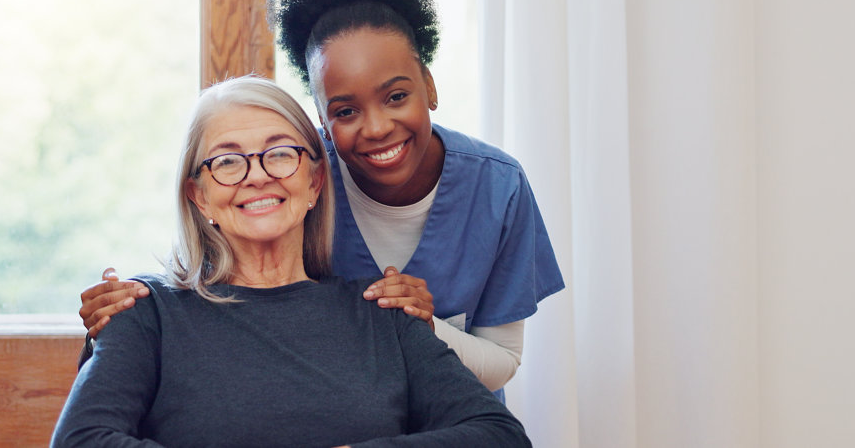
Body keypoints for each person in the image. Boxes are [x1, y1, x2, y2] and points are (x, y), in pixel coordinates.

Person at [78, 0, 564, 391]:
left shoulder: (499, 188)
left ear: (430, 86)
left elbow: (503, 360)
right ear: (321, 122)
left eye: (397, 96)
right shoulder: (295, 181)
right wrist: (138, 303)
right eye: (345, 111)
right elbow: (222, 286)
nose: (376, 127)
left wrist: (423, 322)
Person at [51, 77, 528, 447]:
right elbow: (80, 441)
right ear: (199, 196)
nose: (257, 176)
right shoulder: (144, 313)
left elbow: (498, 436)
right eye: (227, 162)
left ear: (315, 182)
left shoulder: (382, 312)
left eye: (280, 154)